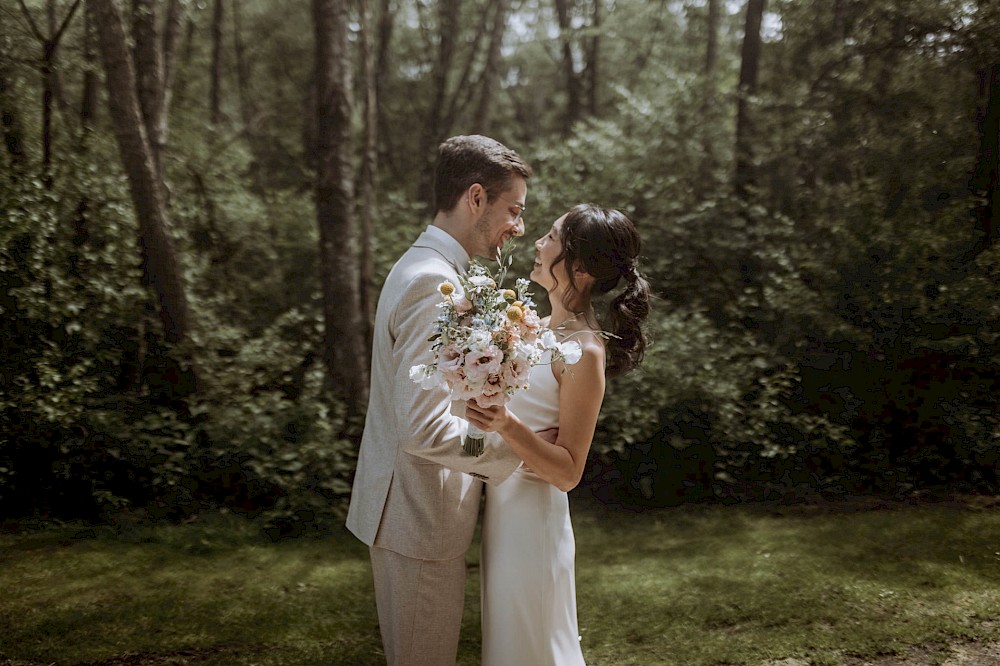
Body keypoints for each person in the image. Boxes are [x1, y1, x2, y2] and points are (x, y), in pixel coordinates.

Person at [346, 135, 535, 666]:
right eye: (513, 210)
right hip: (417, 517)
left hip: (412, 513)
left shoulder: (429, 268)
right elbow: (423, 430)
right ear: (475, 198)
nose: (518, 227)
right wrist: (514, 454)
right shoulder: (433, 283)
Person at [466, 203, 652, 666]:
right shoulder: (539, 328)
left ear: (581, 267)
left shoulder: (584, 351)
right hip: (503, 513)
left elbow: (568, 472)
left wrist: (506, 424)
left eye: (551, 238)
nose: (537, 243)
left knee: (536, 649)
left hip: (534, 521)